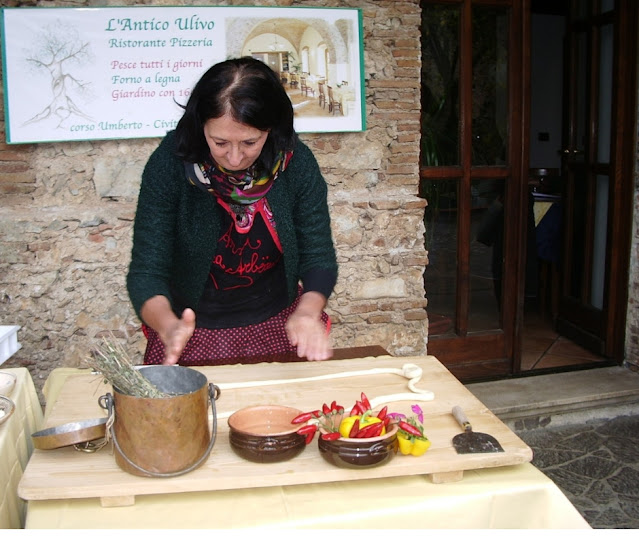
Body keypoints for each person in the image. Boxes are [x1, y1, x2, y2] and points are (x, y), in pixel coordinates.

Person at [127, 57, 338, 367]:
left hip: (277, 323)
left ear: (271, 128)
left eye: (250, 142)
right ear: (201, 127)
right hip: (195, 331)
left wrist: (307, 311)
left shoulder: (295, 162)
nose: (235, 157)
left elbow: (317, 255)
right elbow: (147, 271)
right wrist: (168, 326)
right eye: (220, 142)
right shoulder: (170, 164)